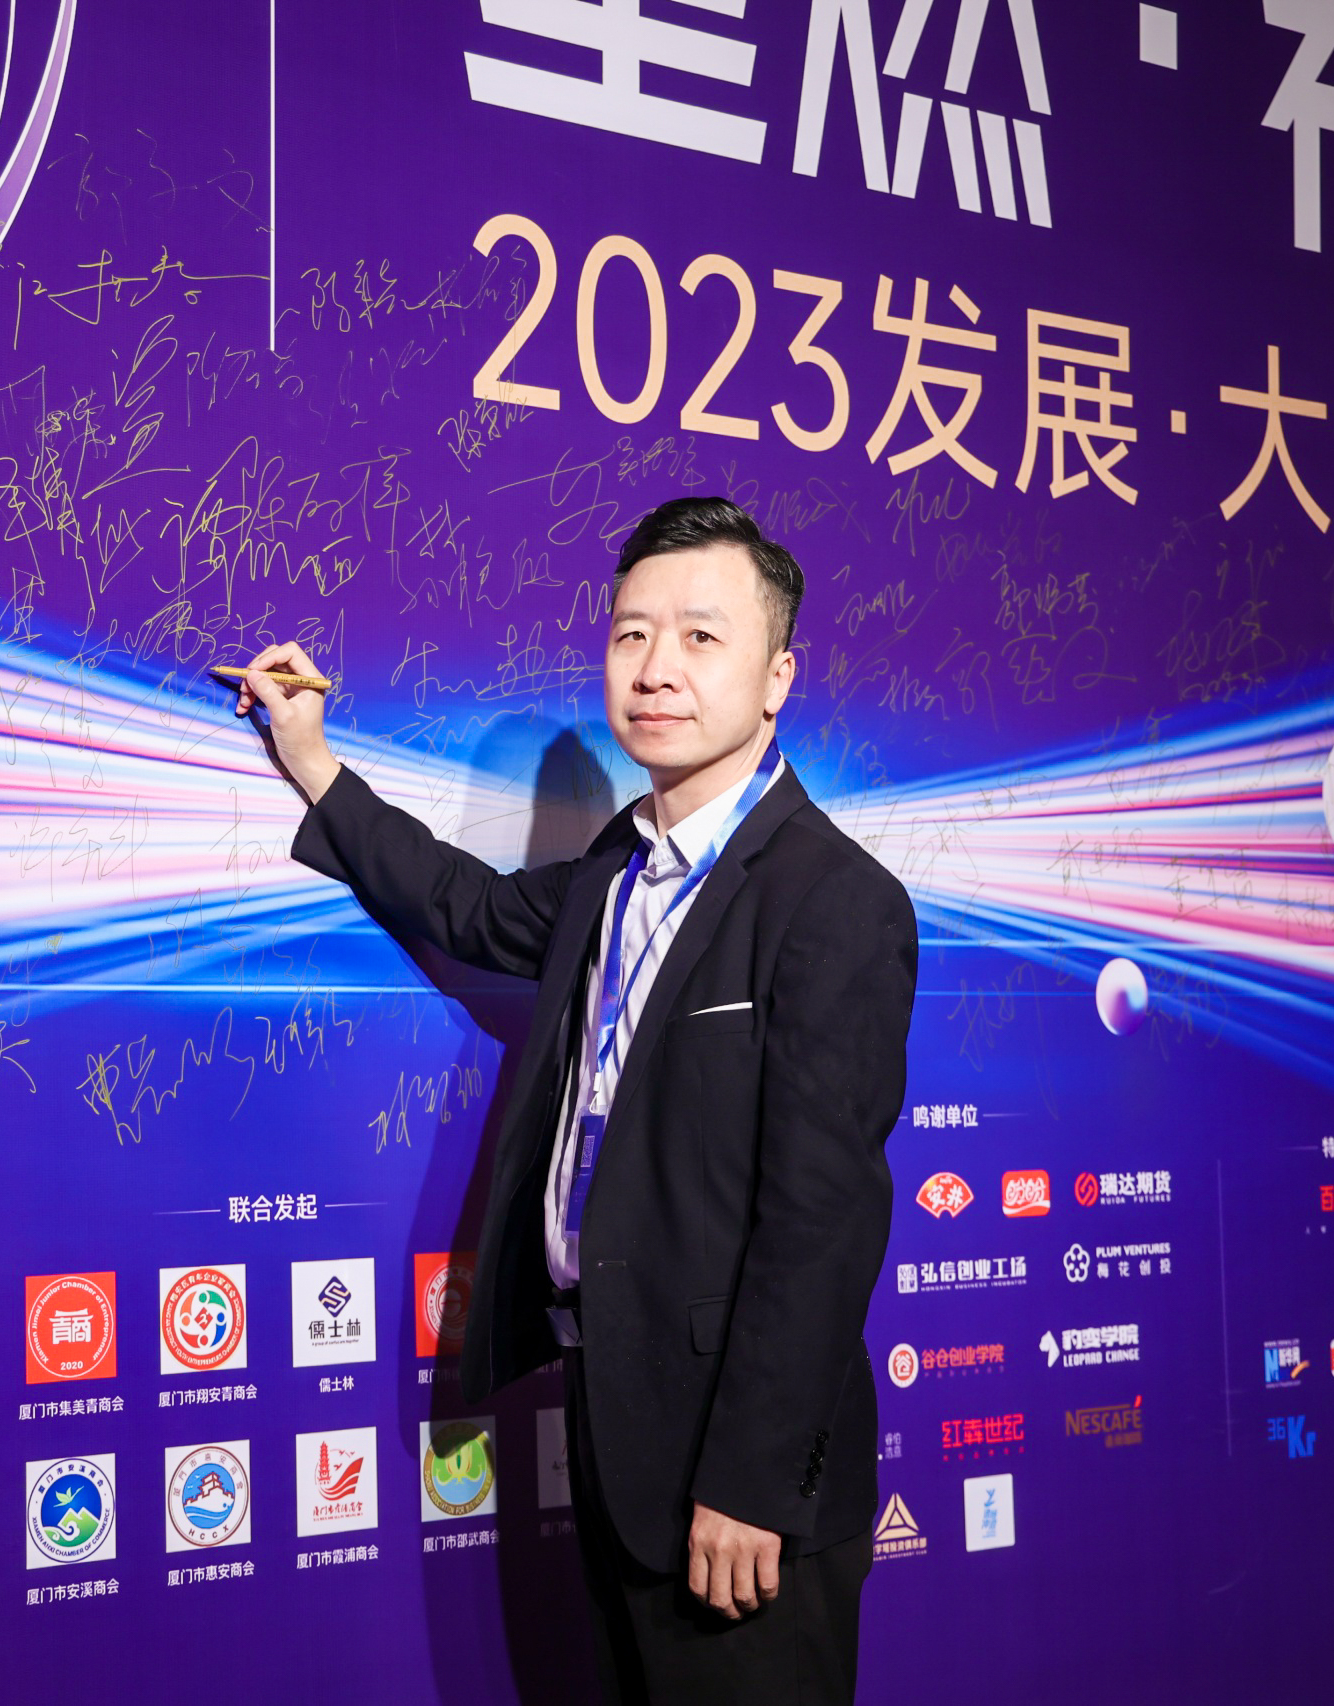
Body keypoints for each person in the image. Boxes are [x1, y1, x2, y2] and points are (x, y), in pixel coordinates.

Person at [232, 497, 918, 1704]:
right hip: (611, 1419)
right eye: (630, 633)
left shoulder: (834, 900)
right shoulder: (615, 866)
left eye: (700, 636)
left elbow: (822, 1223)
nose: (655, 668)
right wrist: (312, 760)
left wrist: (750, 1481)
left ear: (776, 677)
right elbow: (465, 905)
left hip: (735, 1480)